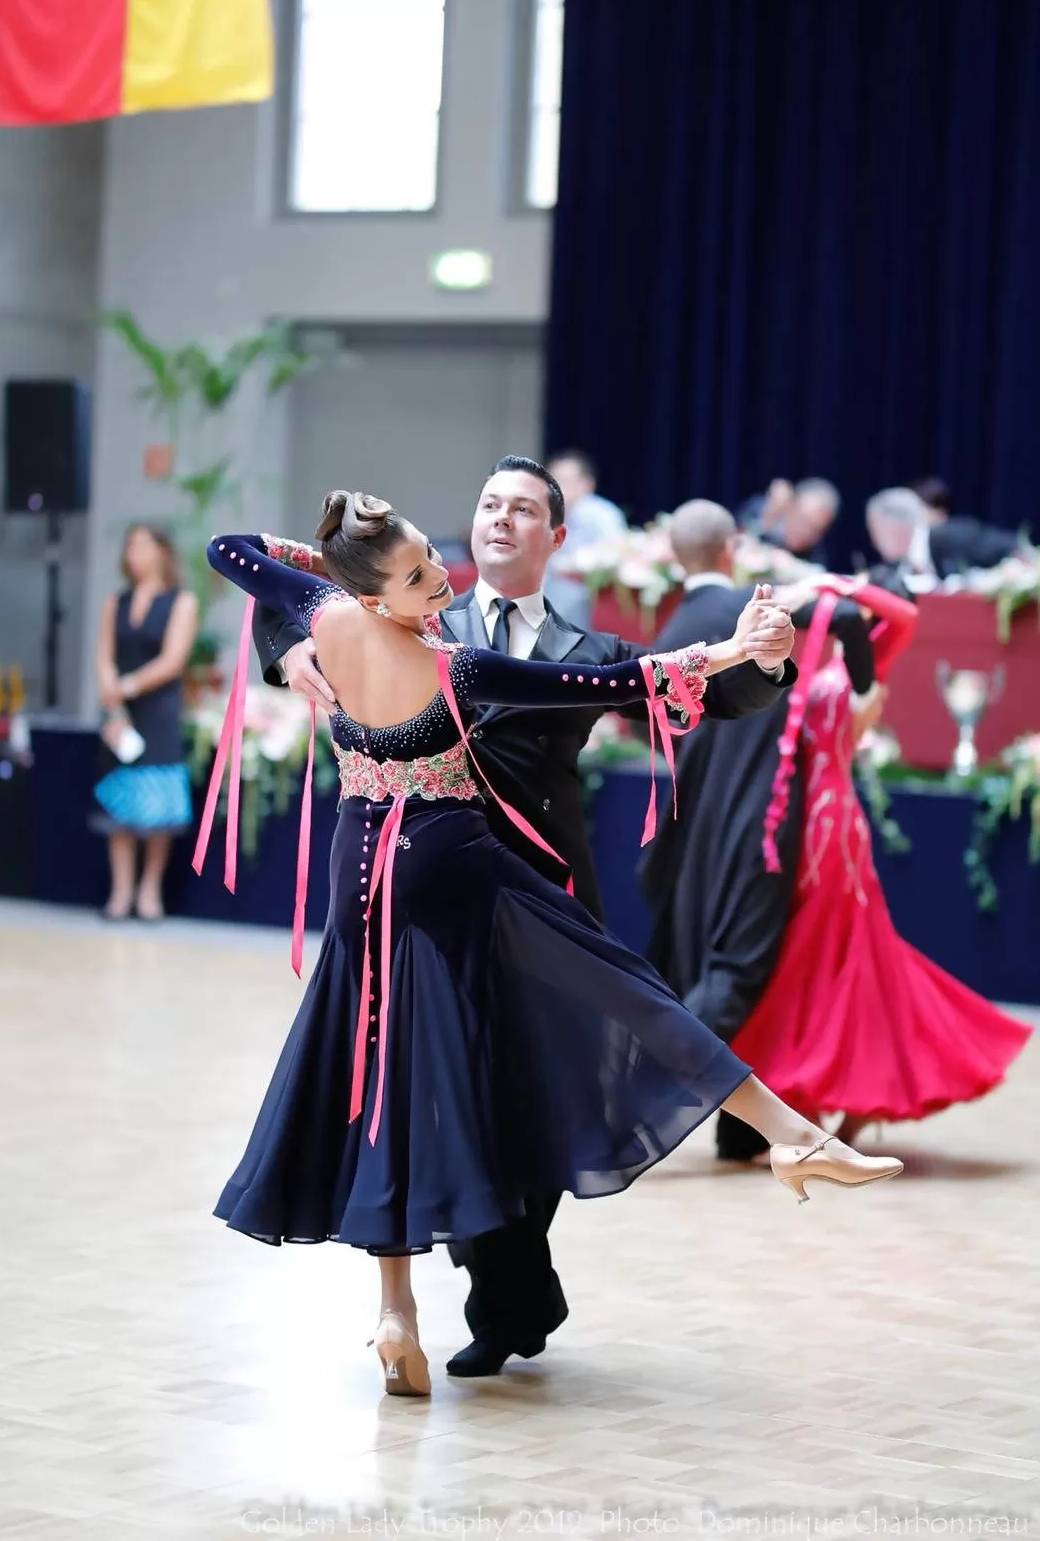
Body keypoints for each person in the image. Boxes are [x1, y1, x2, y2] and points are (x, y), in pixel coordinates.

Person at [199, 493, 903, 1400]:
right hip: (455, 867)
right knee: (626, 988)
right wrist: (732, 649)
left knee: (384, 1085)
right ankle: (787, 1133)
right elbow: (621, 686)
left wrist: (310, 601)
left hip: (358, 878)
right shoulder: (454, 665)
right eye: (417, 575)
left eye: (431, 556)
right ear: (380, 597)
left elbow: (233, 548)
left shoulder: (324, 616)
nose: (439, 576)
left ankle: (396, 1314)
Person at [730, 574, 1031, 1133]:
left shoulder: (869, 664)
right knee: (814, 955)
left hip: (831, 824)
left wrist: (835, 584)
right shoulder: (835, 663)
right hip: (807, 819)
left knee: (834, 955)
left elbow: (906, 616)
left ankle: (841, 1097)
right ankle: (815, 1095)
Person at [639, 500, 876, 1165]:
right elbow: (855, 616)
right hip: (757, 817)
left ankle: (742, 1129)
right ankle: (633, 1102)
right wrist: (865, 689)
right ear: (731, 548)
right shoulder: (749, 611)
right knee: (736, 972)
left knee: (721, 968)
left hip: (693, 823)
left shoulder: (673, 628)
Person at [92, 524, 198, 920]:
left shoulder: (181, 601)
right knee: (117, 804)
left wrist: (129, 684)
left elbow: (173, 660)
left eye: (140, 544)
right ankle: (120, 892)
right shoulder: (114, 602)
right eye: (129, 544)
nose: (132, 551)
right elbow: (104, 652)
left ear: (161, 551)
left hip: (157, 710)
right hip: (120, 712)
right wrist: (111, 692)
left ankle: (149, 891)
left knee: (157, 804)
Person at [542, 450, 627, 628]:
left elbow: (619, 555)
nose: (556, 487)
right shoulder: (543, 512)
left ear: (587, 484)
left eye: (564, 481)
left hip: (592, 596)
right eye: (552, 481)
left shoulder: (603, 514)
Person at [867, 487, 1022, 584]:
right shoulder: (899, 566)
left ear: (896, 527)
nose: (874, 542)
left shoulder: (954, 536)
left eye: (875, 531)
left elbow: (1015, 549)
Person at [763, 479, 840, 567]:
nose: (805, 532)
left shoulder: (815, 556)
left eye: (815, 530)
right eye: (803, 521)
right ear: (790, 506)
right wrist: (766, 519)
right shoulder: (763, 514)